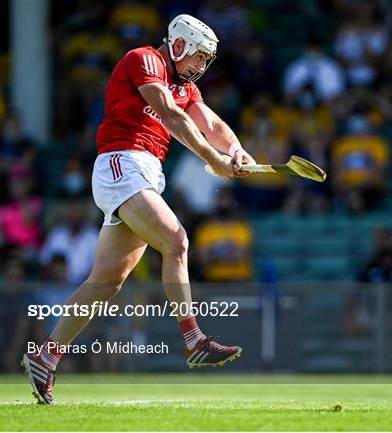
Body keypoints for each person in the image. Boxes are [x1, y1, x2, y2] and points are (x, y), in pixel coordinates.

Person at [22, 14, 256, 405]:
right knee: (177, 240)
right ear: (178, 44)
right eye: (198, 57)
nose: (201, 67)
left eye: (206, 61)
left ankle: (45, 356)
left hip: (146, 174)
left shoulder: (185, 87)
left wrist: (234, 149)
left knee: (106, 283)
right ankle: (193, 338)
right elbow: (169, 114)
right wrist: (213, 159)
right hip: (121, 164)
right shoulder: (144, 59)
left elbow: (209, 121)